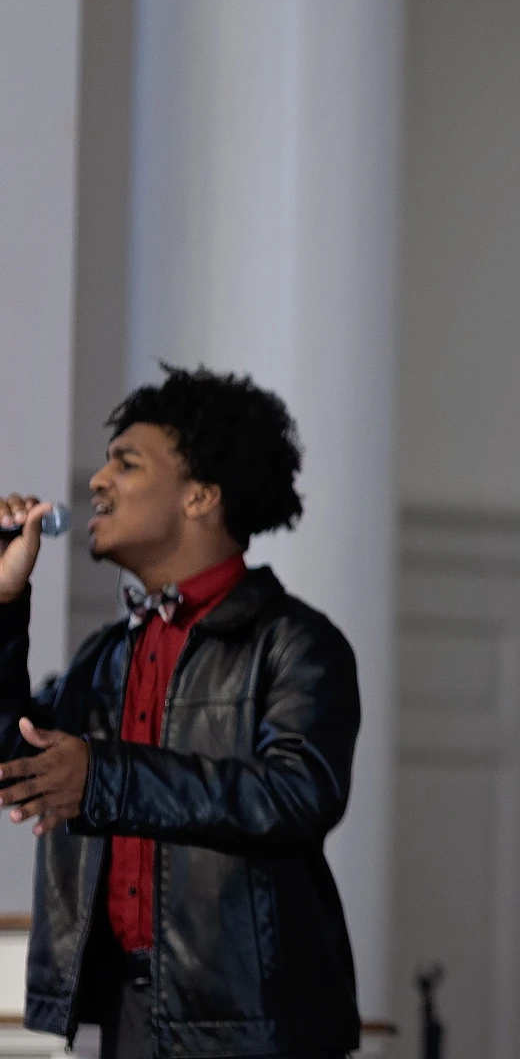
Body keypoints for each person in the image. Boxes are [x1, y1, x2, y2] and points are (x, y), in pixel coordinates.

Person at [0, 366, 361, 1059]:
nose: (98, 481)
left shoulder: (296, 642)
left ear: (201, 494)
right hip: (126, 1016)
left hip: (253, 1027)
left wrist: (102, 777)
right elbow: (15, 763)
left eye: (126, 463)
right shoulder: (103, 657)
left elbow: (297, 795)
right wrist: (3, 604)